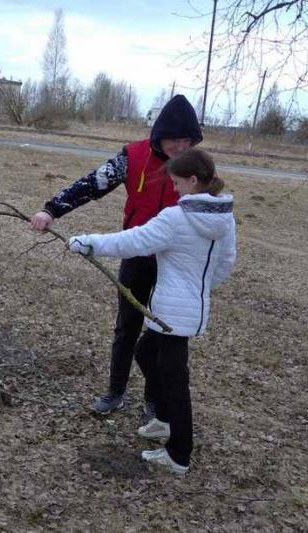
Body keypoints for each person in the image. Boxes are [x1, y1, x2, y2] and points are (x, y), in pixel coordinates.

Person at [31, 95, 203, 415]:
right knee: (127, 327)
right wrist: (51, 210)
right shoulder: (133, 156)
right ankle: (115, 392)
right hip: (136, 255)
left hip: (175, 264)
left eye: (187, 140)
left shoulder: (197, 166)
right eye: (175, 140)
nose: (181, 147)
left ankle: (154, 400)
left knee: (162, 332)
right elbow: (92, 184)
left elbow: (212, 211)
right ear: (159, 135)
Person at [68, 148, 236, 474]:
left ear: (192, 180)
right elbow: (225, 265)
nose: (173, 189)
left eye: (176, 182)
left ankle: (178, 454)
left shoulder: (177, 217)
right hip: (189, 309)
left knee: (176, 382)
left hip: (173, 313)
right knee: (145, 352)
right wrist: (197, 290)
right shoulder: (225, 218)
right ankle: (162, 420)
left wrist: (88, 242)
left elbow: (133, 242)